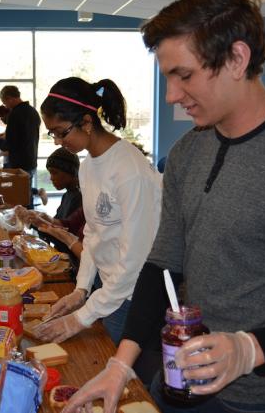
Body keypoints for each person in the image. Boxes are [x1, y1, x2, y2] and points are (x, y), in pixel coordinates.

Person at [63, 0, 265, 413]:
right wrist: (122, 363)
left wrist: (250, 349)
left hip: (262, 400)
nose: (172, 95)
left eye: (185, 75)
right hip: (180, 380)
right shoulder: (188, 153)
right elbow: (162, 265)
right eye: (168, 78)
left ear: (237, 58)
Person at [33, 77, 162, 346]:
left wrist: (82, 317)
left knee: (122, 374)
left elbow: (135, 259)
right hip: (107, 291)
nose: (57, 141)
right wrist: (81, 289)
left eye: (61, 132)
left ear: (87, 122)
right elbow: (94, 232)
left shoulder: (130, 170)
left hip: (133, 295)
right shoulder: (89, 165)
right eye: (52, 133)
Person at [0, 85, 41, 206]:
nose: (6, 106)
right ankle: (31, 222)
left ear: (9, 98)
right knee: (27, 195)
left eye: (5, 102)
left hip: (19, 163)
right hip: (31, 160)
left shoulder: (15, 114)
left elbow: (9, 144)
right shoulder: (33, 112)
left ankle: (27, 222)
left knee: (19, 198)